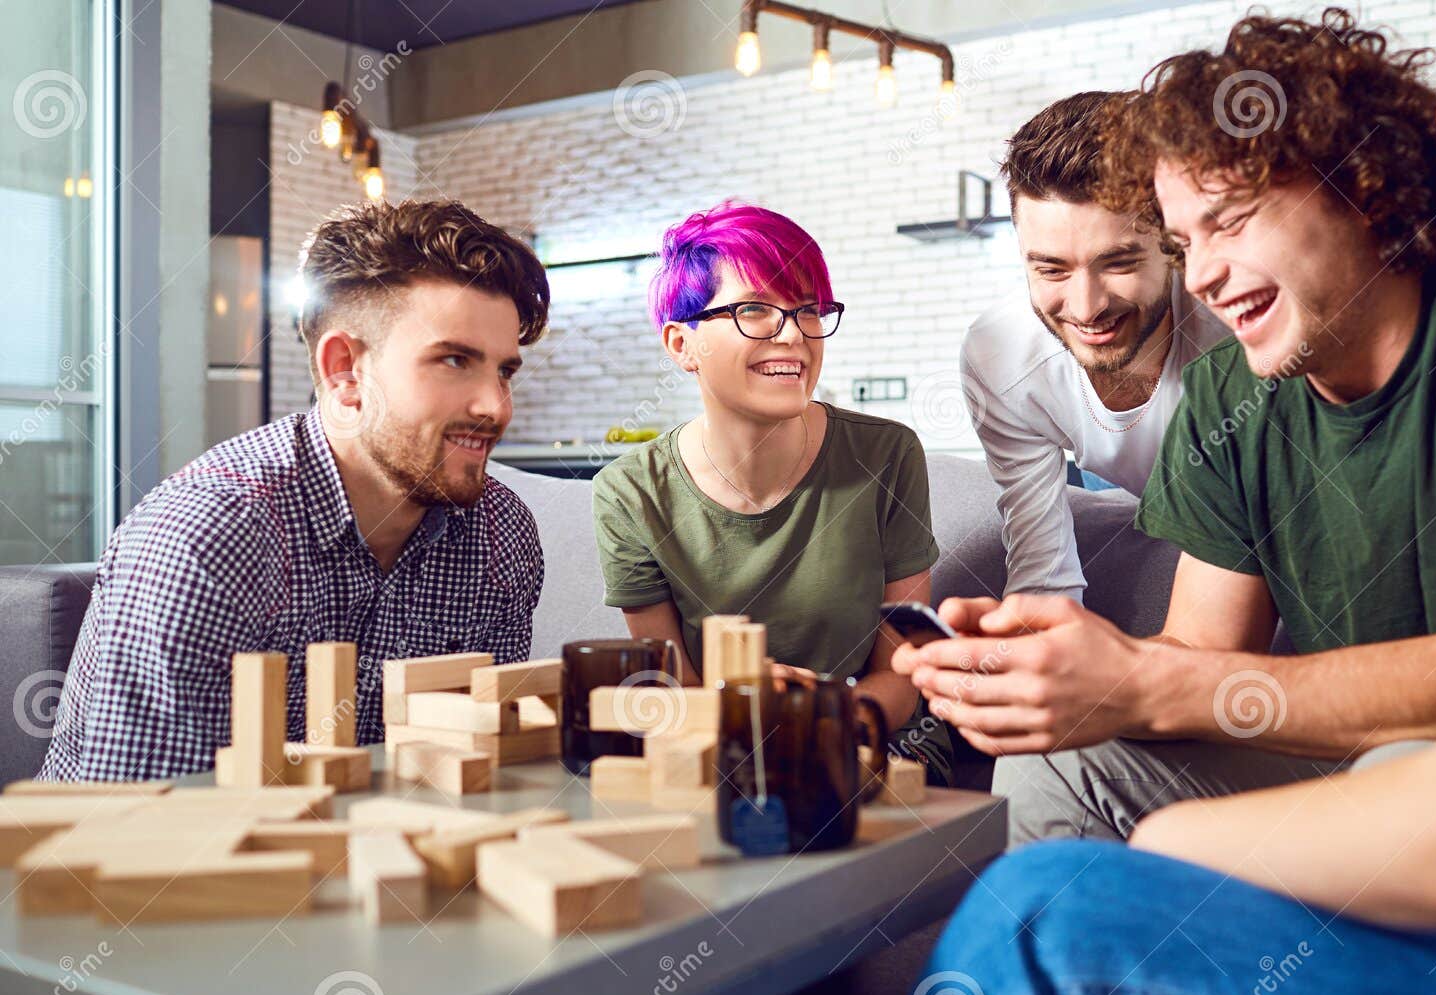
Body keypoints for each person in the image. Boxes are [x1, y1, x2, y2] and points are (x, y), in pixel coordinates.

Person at [881, 0, 1436, 995]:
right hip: (1340, 759)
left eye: (1230, 221)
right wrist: (1071, 670)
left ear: (1361, 184)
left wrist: (1149, 715)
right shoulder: (1233, 394)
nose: (1204, 274)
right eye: (1184, 243)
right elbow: (1198, 660)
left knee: (1384, 767)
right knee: (1060, 768)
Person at [41, 199, 549, 781]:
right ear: (344, 371)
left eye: (504, 371)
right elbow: (146, 837)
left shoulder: (501, 534)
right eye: (455, 360)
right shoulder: (206, 540)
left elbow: (477, 771)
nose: (495, 407)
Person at [592, 201, 952, 780]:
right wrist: (755, 726)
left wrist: (828, 717)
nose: (794, 334)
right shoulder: (631, 494)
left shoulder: (886, 455)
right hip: (723, 747)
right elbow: (676, 690)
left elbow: (905, 673)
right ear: (682, 344)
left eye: (808, 309)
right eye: (755, 310)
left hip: (874, 737)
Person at [961, 92, 1227, 598]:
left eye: (1119, 263)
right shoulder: (997, 355)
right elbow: (1044, 574)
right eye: (1051, 269)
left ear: (1173, 244)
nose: (1086, 309)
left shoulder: (1233, 324)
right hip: (1145, 503)